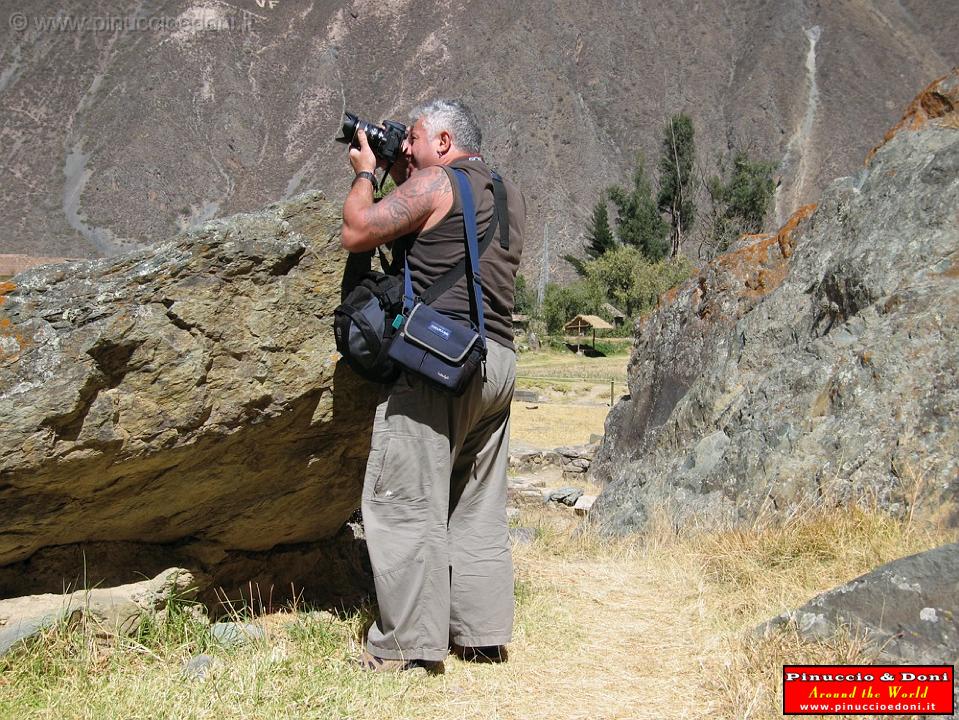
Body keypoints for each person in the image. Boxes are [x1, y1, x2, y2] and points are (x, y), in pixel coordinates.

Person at [340, 99, 525, 672]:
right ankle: (482, 634)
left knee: (406, 502)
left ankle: (408, 650)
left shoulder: (437, 183)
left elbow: (358, 231)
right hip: (497, 362)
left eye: (415, 139)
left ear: (443, 143)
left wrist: (367, 173)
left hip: (440, 364)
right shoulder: (505, 192)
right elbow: (453, 240)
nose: (409, 148)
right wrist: (405, 169)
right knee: (477, 505)